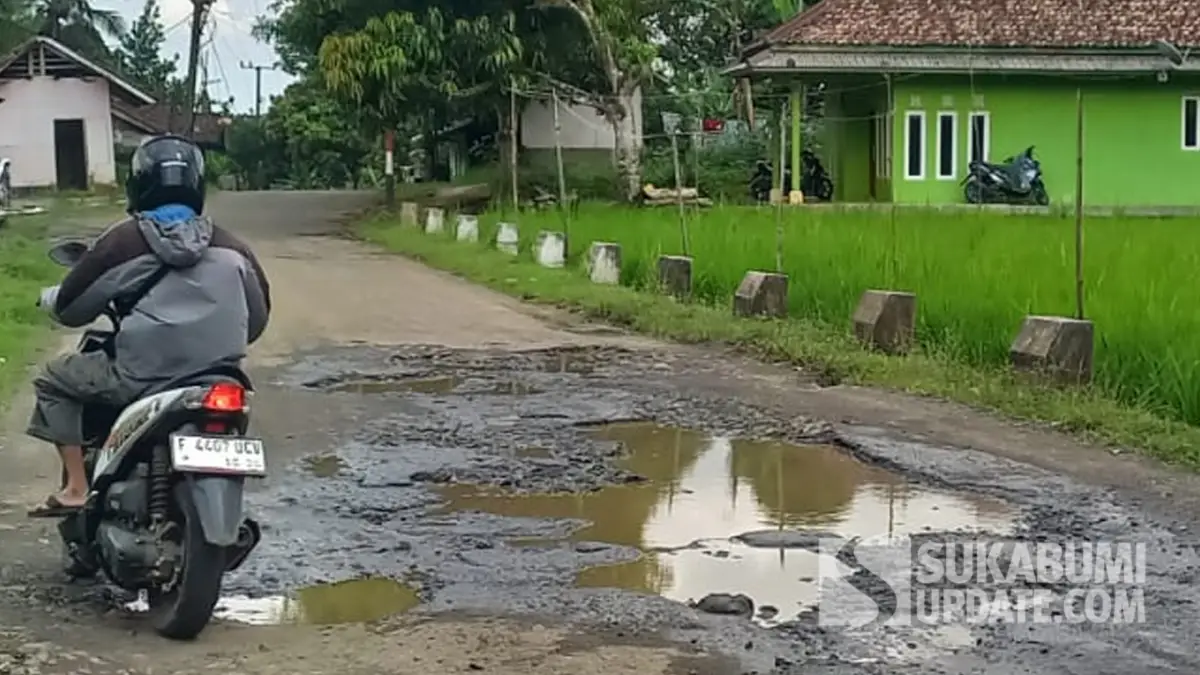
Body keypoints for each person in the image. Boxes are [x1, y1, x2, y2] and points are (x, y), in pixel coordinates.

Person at [26, 134, 271, 517]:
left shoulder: (122, 243)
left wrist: (52, 298)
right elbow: (256, 323)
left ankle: (75, 487)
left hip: (140, 378)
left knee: (54, 378)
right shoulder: (233, 247)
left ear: (137, 184)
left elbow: (72, 309)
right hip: (220, 382)